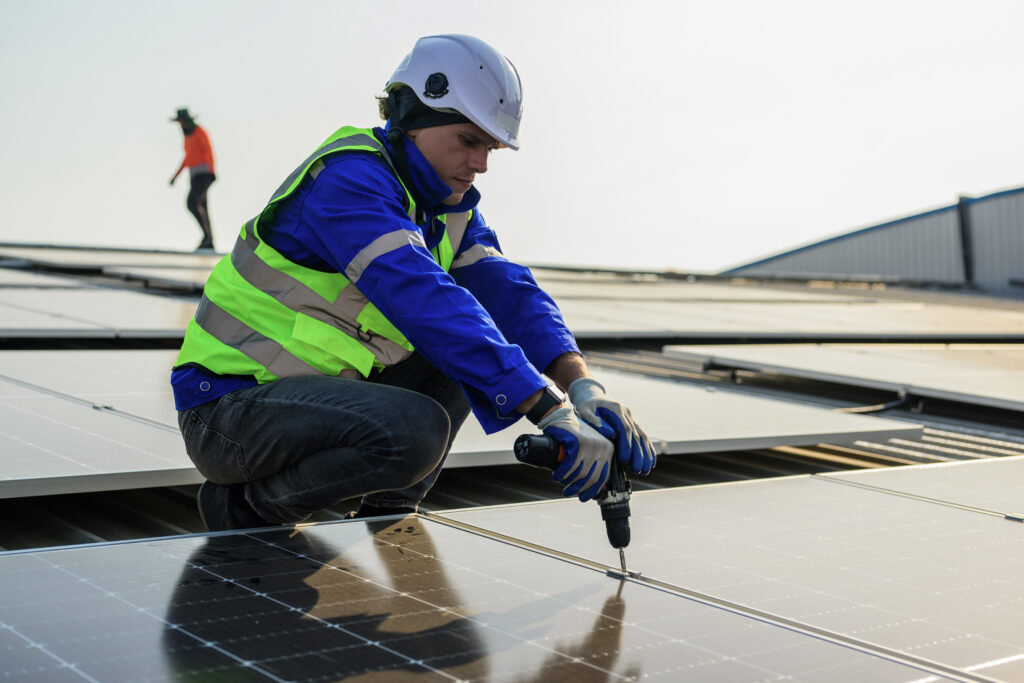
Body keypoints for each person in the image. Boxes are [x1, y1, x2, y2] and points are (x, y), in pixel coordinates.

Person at [170, 34, 657, 531]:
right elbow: (421, 296)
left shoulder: (449, 210)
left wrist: (583, 387)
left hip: (313, 399)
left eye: (489, 147)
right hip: (229, 411)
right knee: (416, 426)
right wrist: (547, 408)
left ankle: (389, 505)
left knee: (476, 336)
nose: (481, 163)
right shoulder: (349, 180)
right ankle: (250, 508)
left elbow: (511, 296)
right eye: (469, 141)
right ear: (413, 119)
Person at [169, 107, 217, 251]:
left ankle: (207, 237)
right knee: (202, 206)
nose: (181, 125)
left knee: (192, 202)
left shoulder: (199, 132)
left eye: (182, 121)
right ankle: (209, 240)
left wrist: (210, 173)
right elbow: (188, 158)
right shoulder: (187, 138)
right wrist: (175, 176)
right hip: (194, 176)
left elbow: (209, 152)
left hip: (205, 174)